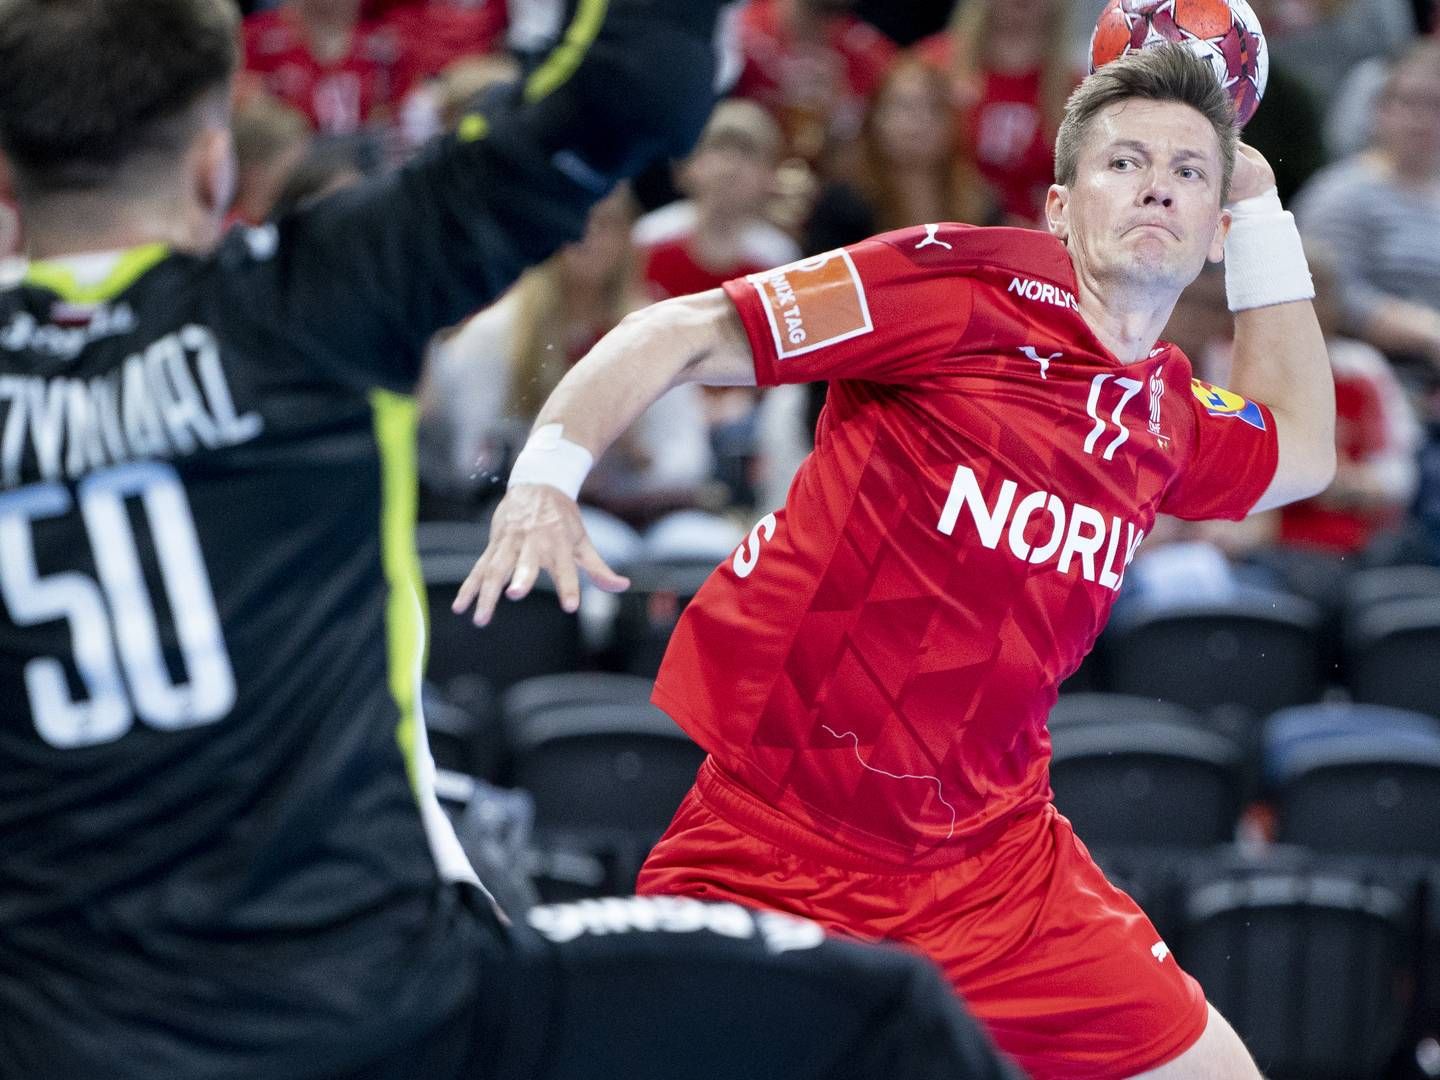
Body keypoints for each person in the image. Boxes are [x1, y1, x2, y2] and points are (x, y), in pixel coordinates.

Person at [0, 1, 1021, 1079]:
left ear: (9, 184)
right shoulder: (313, 295)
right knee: (886, 1011)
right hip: (379, 1007)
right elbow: (640, 79)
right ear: (215, 165)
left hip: (59, 1032)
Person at [460, 42, 1337, 1079]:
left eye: (1189, 172)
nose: (1158, 183)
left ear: (1210, 231)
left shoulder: (1166, 414)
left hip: (998, 873)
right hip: (779, 847)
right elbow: (691, 327)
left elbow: (1303, 448)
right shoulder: (954, 286)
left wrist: (1265, 206)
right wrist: (546, 476)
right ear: (1058, 208)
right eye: (1125, 162)